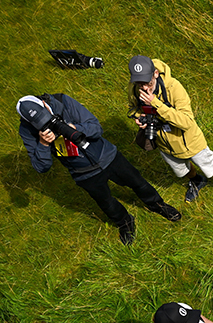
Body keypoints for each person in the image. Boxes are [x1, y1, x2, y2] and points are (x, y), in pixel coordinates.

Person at [17, 92, 180, 245]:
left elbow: (96, 127)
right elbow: (41, 167)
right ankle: (124, 222)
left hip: (107, 155)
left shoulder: (63, 101)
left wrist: (75, 129)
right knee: (106, 202)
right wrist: (44, 144)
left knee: (138, 182)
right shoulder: (26, 130)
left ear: (45, 104)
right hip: (83, 173)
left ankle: (157, 205)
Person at [126, 55, 213, 209]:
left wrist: (155, 103)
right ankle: (197, 181)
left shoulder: (174, 88)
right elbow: (132, 108)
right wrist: (139, 118)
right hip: (165, 143)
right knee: (181, 170)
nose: (144, 88)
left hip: (190, 141)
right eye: (140, 83)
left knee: (211, 166)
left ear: (156, 73)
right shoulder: (134, 90)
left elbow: (186, 122)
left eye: (147, 82)